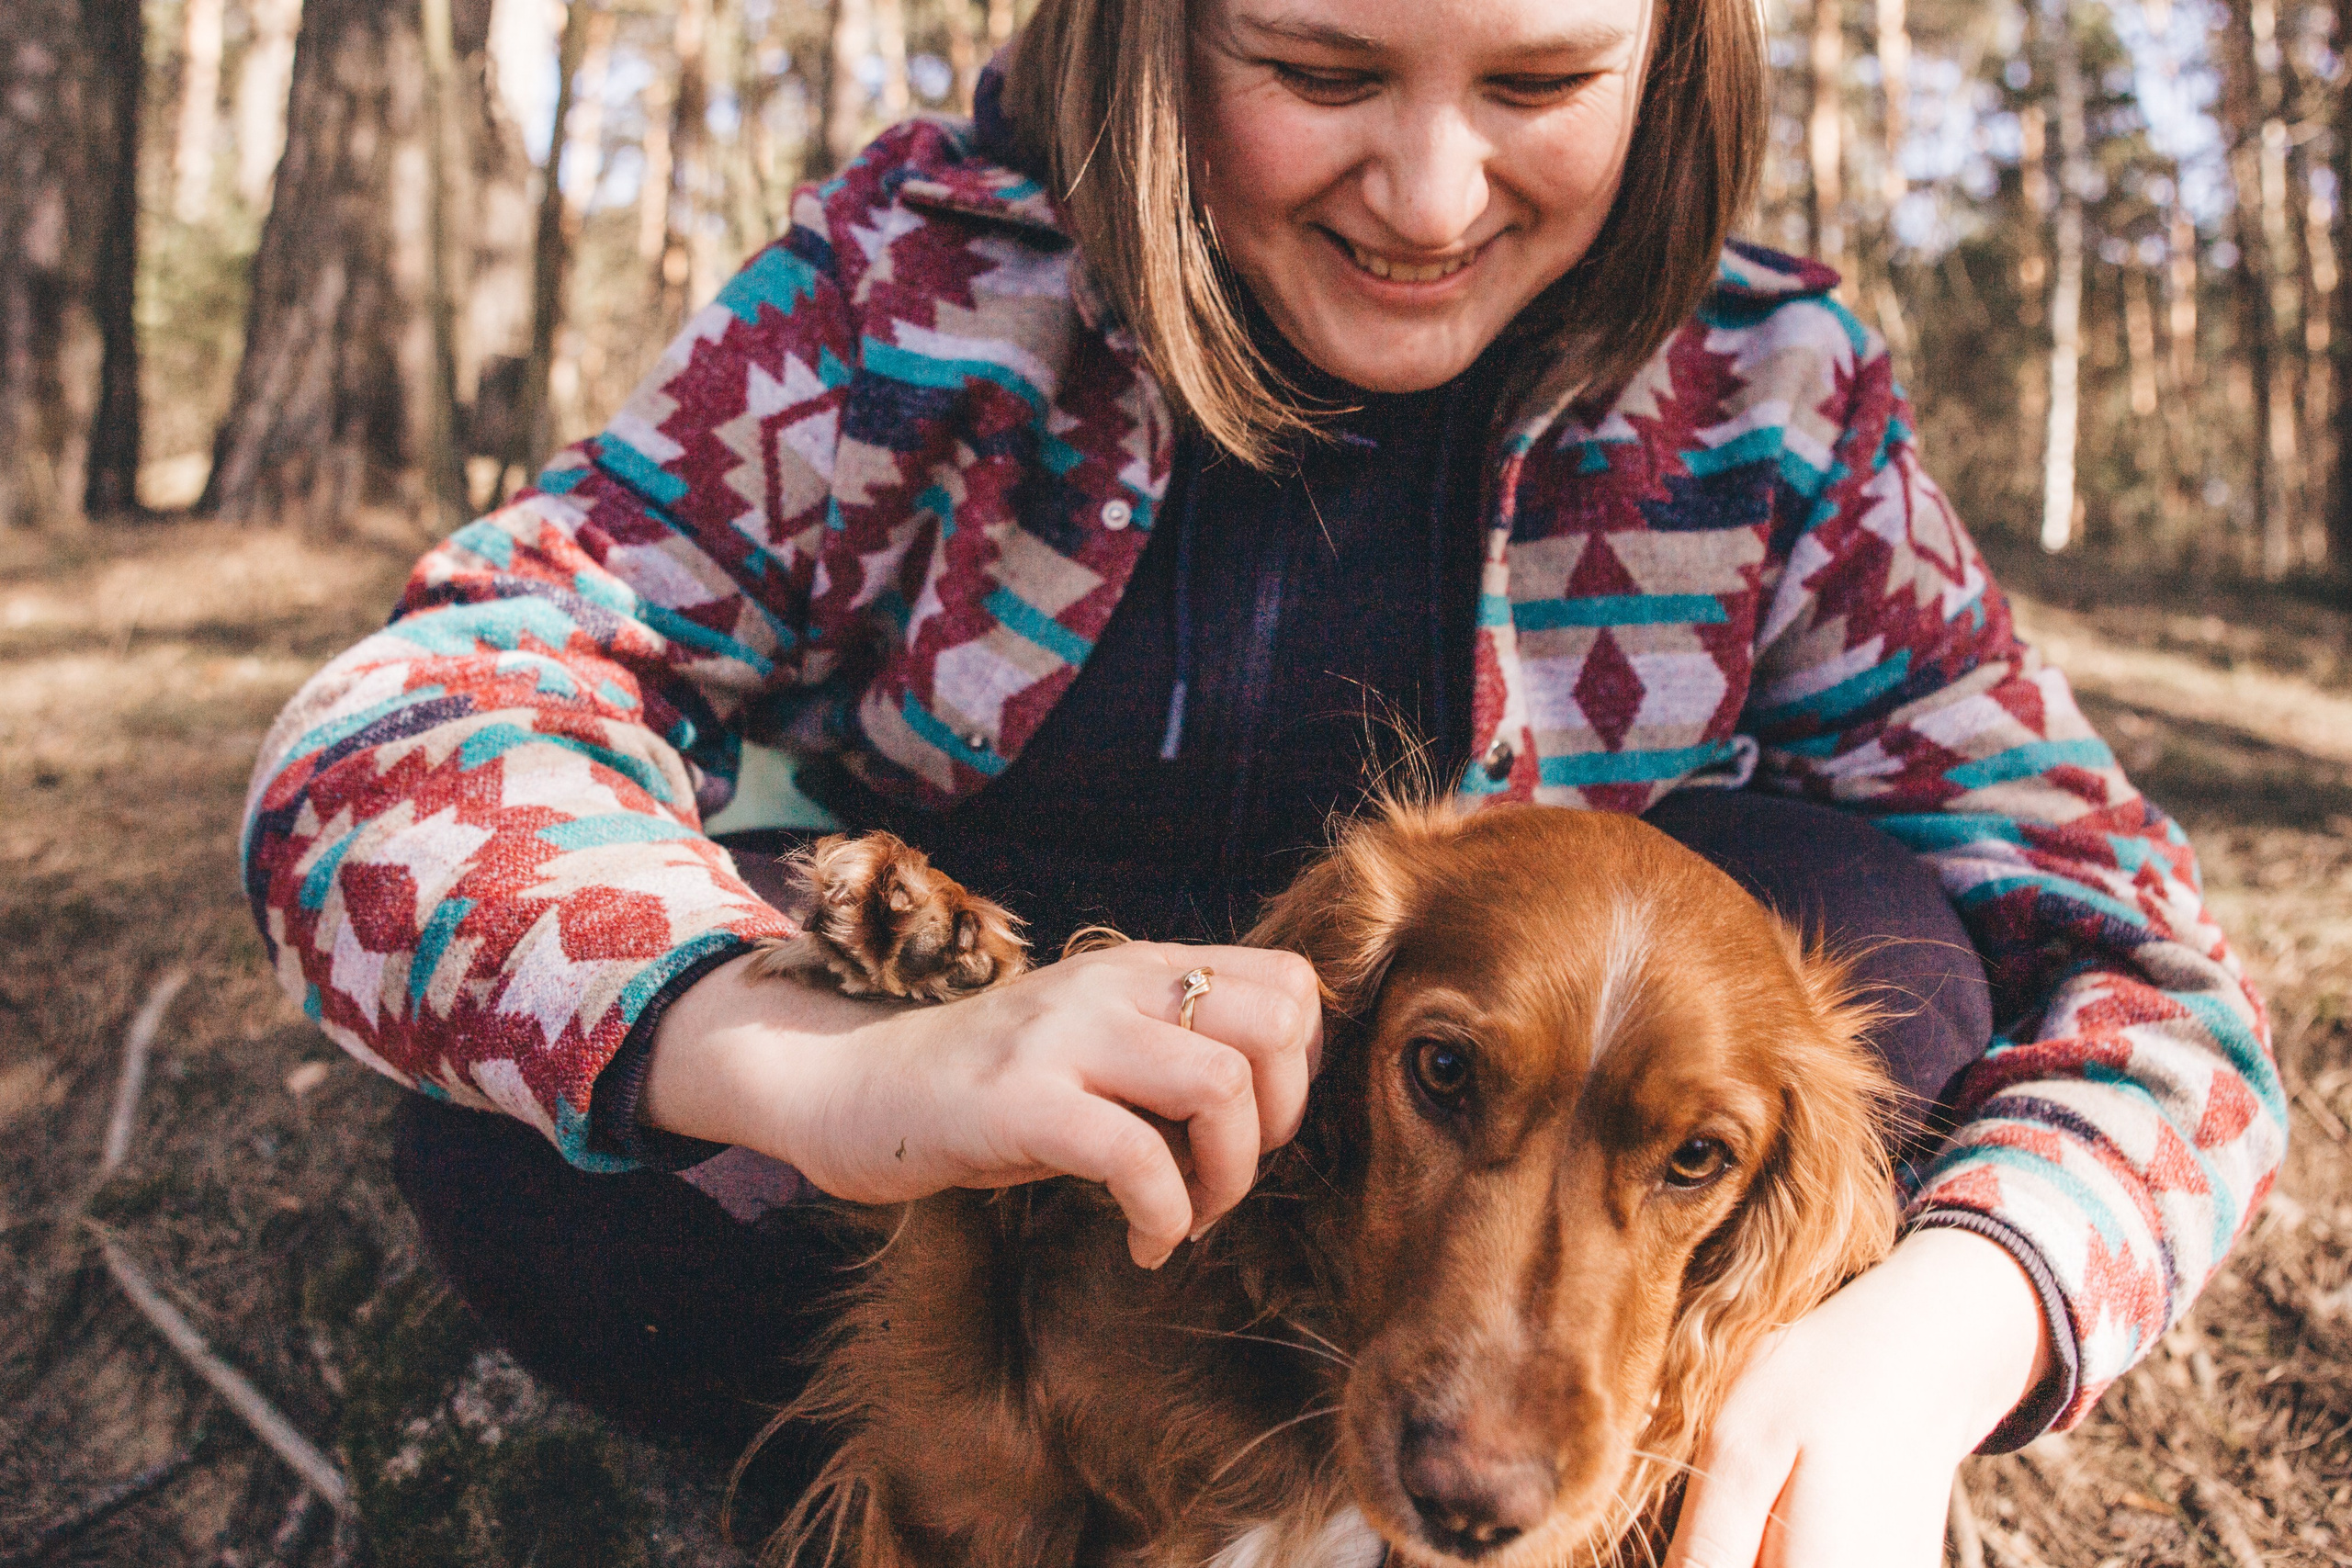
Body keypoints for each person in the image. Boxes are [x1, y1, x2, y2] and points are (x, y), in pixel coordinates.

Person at [242, 0, 2280, 1561]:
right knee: (548, 1156)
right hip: (983, 1209)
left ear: (1667, 63)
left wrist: (1940, 1326)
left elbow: (2155, 984)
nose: (1424, 194)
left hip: (1522, 1255)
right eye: (1314, 66)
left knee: (1886, 966)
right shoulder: (912, 300)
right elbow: (393, 732)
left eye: (1536, 81)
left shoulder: (1765, 394)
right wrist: (791, 1046)